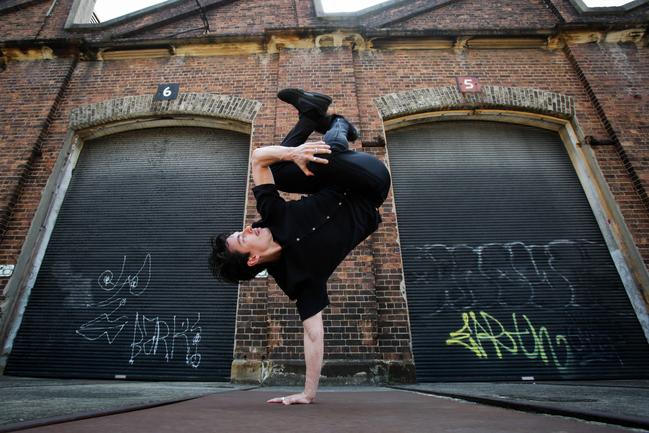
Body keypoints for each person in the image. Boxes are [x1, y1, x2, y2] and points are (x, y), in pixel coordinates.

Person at [209, 89, 391, 405]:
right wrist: (308, 393)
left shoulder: (272, 215)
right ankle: (336, 123)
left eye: (241, 230)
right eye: (243, 237)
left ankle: (313, 116)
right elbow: (313, 334)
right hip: (370, 185)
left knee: (283, 166)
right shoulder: (298, 279)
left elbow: (257, 159)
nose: (248, 228)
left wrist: (290, 154)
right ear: (252, 259)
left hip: (335, 176)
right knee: (324, 151)